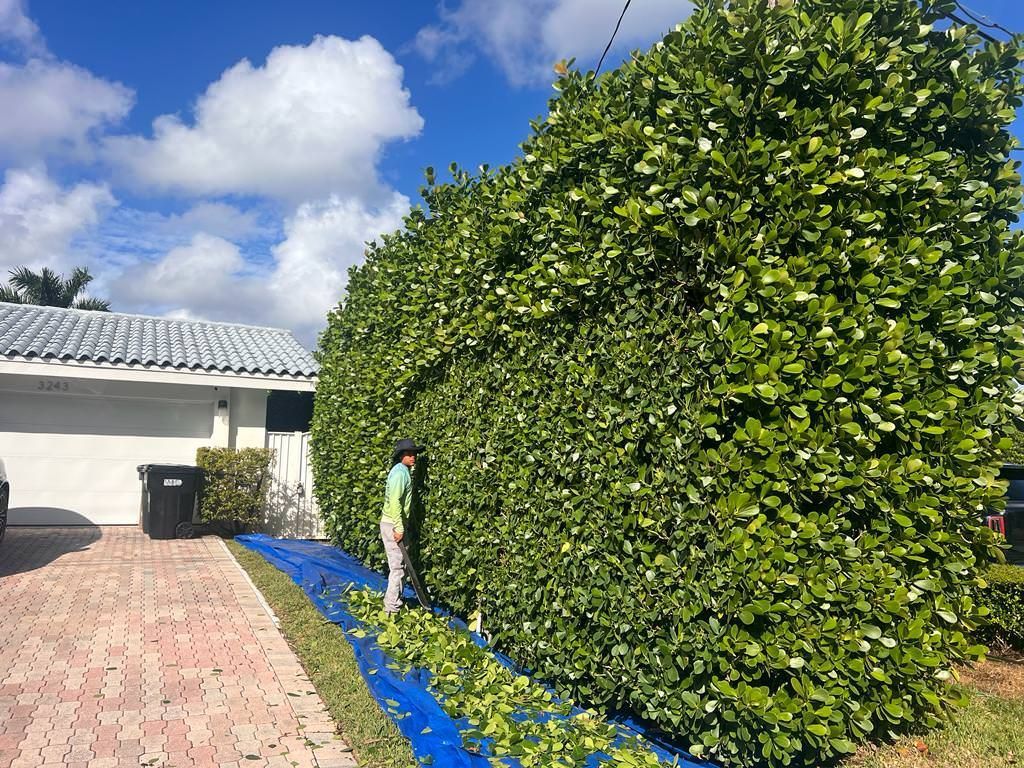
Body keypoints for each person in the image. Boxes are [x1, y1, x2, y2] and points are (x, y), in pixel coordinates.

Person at [380, 438, 423, 614]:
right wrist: (399, 528)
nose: (413, 457)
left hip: (394, 523)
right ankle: (391, 609)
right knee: (397, 567)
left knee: (401, 566)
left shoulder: (403, 471)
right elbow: (395, 502)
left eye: (414, 454)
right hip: (392, 523)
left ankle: (395, 601)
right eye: (409, 454)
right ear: (401, 456)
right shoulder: (399, 474)